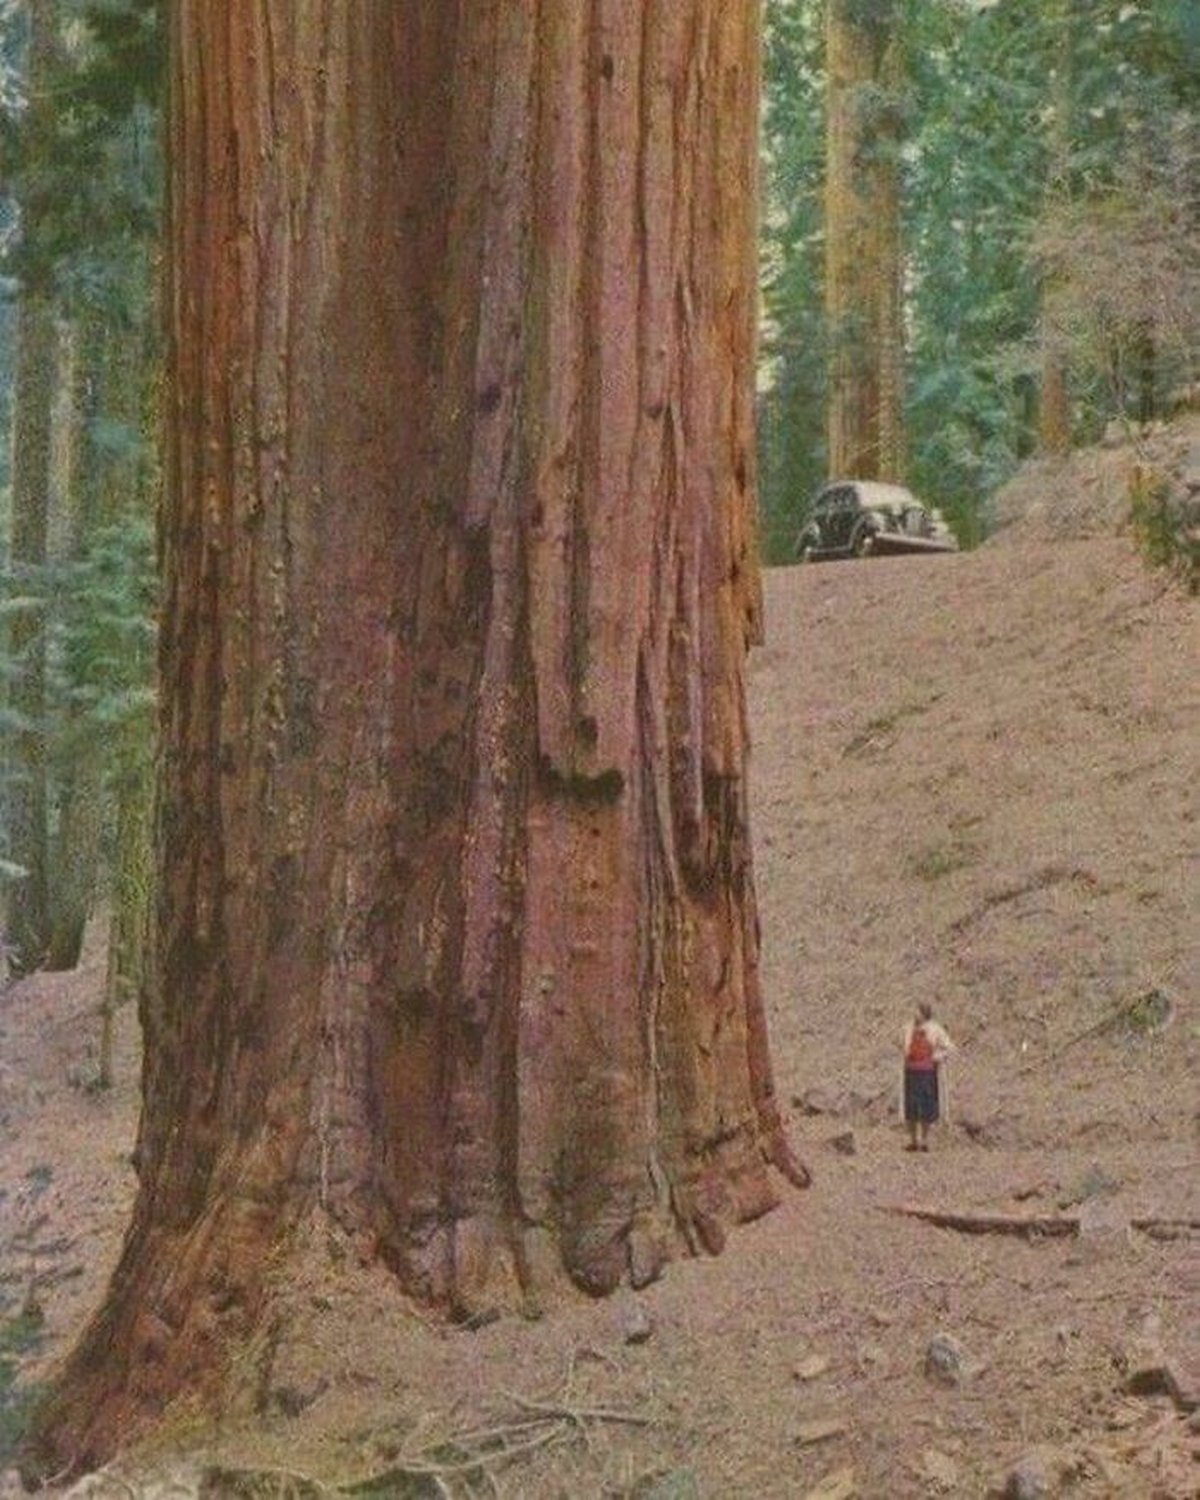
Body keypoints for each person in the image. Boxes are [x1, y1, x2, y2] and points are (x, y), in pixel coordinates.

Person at [901, 1001, 954, 1152]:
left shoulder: (935, 1029)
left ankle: (924, 1140)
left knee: (925, 1106)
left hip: (927, 1072)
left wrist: (937, 1056)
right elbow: (903, 1046)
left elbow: (949, 1047)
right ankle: (912, 1140)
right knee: (911, 1107)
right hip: (911, 1071)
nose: (915, 1014)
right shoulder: (908, 1028)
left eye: (917, 1011)